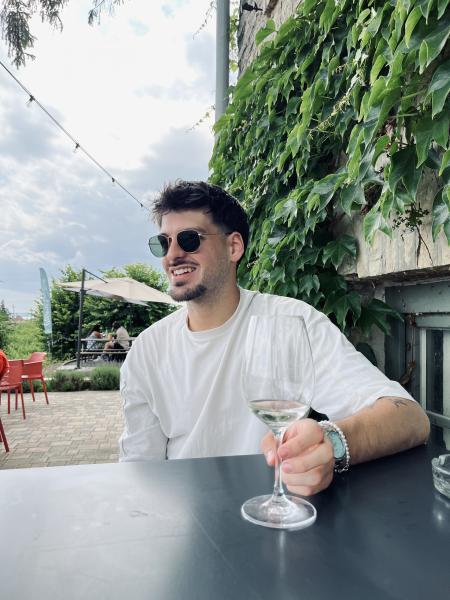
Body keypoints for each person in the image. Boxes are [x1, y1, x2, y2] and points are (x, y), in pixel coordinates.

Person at [119, 180, 430, 496]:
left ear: (233, 247)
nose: (172, 255)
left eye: (189, 239)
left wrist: (333, 442)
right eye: (163, 243)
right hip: (185, 511)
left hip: (275, 510)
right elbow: (139, 467)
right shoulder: (148, 350)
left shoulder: (292, 322)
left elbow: (409, 417)